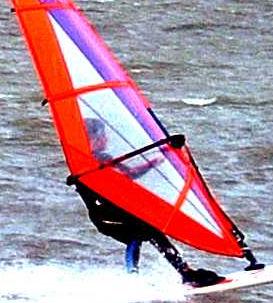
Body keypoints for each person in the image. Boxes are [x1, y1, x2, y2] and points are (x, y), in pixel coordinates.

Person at [76, 117, 226, 287]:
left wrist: (154, 161)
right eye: (103, 136)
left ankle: (168, 273)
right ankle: (173, 273)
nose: (107, 139)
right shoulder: (88, 164)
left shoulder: (103, 158)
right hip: (106, 217)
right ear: (93, 139)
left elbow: (130, 173)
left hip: (116, 214)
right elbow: (119, 178)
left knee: (144, 233)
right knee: (143, 233)